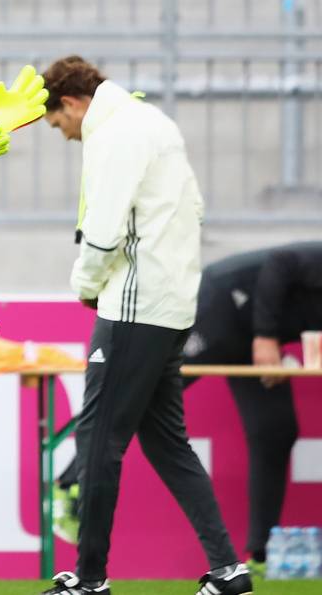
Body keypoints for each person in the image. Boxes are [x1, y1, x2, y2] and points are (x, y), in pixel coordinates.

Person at [37, 56, 252, 595]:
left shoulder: (114, 133)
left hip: (134, 306)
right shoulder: (154, 122)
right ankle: (229, 570)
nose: (66, 137)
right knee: (167, 444)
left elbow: (105, 231)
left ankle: (89, 580)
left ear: (71, 103)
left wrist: (85, 284)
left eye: (60, 125)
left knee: (97, 441)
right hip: (172, 304)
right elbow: (194, 208)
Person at [55, 242, 320, 574]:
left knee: (275, 430)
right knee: (139, 393)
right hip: (222, 305)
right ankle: (66, 485)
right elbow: (282, 262)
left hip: (256, 337)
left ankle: (261, 556)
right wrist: (266, 337)